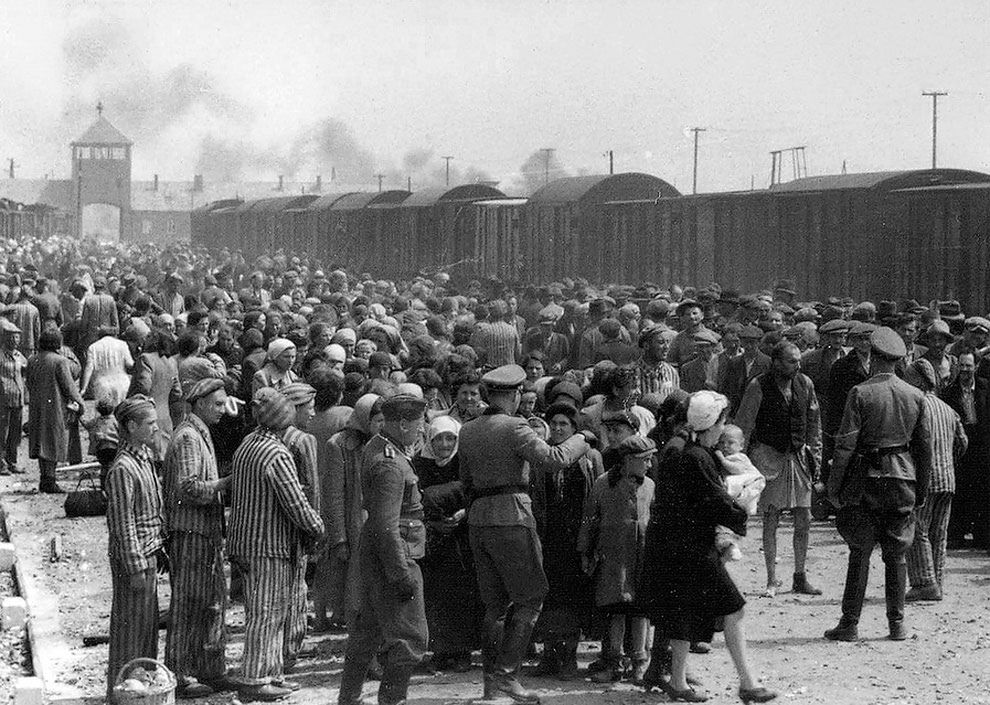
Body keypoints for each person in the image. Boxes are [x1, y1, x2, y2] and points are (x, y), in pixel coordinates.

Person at [458, 364, 589, 704]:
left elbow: (466, 480)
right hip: (512, 518)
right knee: (531, 597)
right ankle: (507, 677)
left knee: (495, 606)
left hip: (479, 520)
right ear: (515, 395)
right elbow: (554, 458)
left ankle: (491, 684)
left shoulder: (468, 430)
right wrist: (581, 439)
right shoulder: (515, 426)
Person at [637, 391, 776, 704]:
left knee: (683, 612)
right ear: (712, 424)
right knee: (735, 608)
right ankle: (747, 683)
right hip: (694, 550)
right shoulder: (699, 457)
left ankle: (677, 681)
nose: (722, 429)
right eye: (721, 422)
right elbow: (716, 502)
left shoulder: (689, 450)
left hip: (678, 547)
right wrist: (741, 508)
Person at [825, 327, 932, 642]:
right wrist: (921, 490)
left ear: (872, 357)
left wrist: (834, 486)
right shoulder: (916, 395)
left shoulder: (860, 393)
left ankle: (850, 623)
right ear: (898, 361)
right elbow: (924, 449)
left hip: (865, 479)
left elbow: (844, 447)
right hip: (902, 478)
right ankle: (896, 624)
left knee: (860, 551)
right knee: (896, 554)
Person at [229, 388, 325, 702]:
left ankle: (270, 673)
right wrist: (317, 527)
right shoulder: (276, 453)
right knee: (267, 614)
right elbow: (295, 503)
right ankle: (255, 678)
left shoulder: (248, 444)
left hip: (245, 541)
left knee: (263, 611)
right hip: (268, 545)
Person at [337, 394, 429, 705]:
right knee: (411, 638)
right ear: (403, 424)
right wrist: (401, 574)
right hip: (396, 556)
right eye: (419, 424)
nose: (422, 430)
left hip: (378, 555)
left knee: (368, 631)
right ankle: (392, 700)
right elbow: (387, 526)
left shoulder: (378, 446)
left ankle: (348, 699)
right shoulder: (391, 463)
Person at [734, 341, 823, 597]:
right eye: (791, 361)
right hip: (769, 458)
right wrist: (743, 466)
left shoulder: (805, 384)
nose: (797, 365)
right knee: (771, 518)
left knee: (803, 518)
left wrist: (815, 457)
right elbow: (744, 425)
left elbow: (814, 425)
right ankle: (772, 580)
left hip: (798, 458)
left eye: (798, 361)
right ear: (776, 362)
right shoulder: (757, 386)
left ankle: (799, 576)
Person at [163, 378, 232, 698]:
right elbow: (188, 488)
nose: (223, 410)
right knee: (188, 605)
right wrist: (225, 485)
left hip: (203, 532)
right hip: (190, 533)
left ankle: (208, 668)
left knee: (211, 602)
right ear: (200, 402)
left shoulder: (199, 432)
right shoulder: (188, 437)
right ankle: (180, 673)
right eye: (218, 404)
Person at [578, 435, 656, 685]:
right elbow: (589, 517)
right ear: (628, 460)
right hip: (613, 559)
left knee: (640, 612)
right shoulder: (603, 484)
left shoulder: (650, 485)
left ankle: (640, 664)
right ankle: (614, 662)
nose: (650, 465)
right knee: (616, 611)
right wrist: (585, 551)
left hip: (641, 558)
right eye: (645, 460)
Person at [530, 401, 598, 682]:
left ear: (574, 429)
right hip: (548, 537)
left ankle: (568, 657)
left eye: (564, 425)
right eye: (554, 424)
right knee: (548, 596)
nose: (558, 429)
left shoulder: (589, 457)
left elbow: (594, 500)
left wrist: (589, 541)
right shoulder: (542, 457)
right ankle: (549, 655)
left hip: (575, 539)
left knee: (571, 599)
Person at [105, 396, 166, 701]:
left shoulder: (143, 457)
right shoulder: (122, 469)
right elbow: (123, 523)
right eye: (150, 423)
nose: (156, 428)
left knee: (145, 630)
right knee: (130, 633)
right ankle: (122, 695)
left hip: (149, 553)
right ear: (132, 426)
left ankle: (140, 691)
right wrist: (135, 567)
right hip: (136, 559)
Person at [413, 416, 480, 673]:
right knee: (436, 596)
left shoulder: (466, 462)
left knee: (463, 594)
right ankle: (440, 651)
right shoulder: (421, 463)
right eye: (439, 438)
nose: (444, 443)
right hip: (434, 540)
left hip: (462, 538)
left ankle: (463, 652)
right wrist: (435, 522)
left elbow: (474, 493)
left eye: (450, 438)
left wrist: (463, 513)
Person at [902, 359, 967, 601]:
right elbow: (963, 442)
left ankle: (923, 582)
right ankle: (937, 581)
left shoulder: (916, 405)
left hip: (924, 479)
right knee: (939, 533)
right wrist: (949, 459)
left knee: (917, 528)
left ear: (919, 380)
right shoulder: (948, 409)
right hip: (948, 478)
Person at [324, 394, 385, 631]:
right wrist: (339, 538)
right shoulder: (338, 445)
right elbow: (334, 497)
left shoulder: (386, 444)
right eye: (378, 420)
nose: (382, 425)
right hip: (356, 527)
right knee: (357, 589)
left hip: (382, 525)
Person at [26, 328, 85, 493]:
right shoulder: (60, 361)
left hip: (37, 405)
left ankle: (44, 478)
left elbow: (28, 382)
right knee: (52, 441)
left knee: (40, 441)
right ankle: (50, 481)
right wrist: (81, 404)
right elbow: (69, 387)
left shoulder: (32, 360)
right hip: (55, 407)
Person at [943, 352, 990, 548]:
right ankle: (957, 535)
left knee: (983, 492)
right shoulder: (948, 392)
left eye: (968, 366)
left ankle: (982, 536)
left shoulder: (986, 388)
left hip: (983, 447)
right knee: (961, 490)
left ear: (975, 366)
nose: (964, 370)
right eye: (961, 365)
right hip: (961, 449)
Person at [713, 424, 766, 562]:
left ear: (741, 445)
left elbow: (738, 471)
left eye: (730, 443)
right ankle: (729, 544)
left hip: (742, 492)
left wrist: (723, 460)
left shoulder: (740, 458)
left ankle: (731, 545)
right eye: (721, 442)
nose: (725, 446)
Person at [0, 320, 27, 475]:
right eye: (12, 338)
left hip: (18, 398)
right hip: (3, 399)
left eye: (17, 338)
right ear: (5, 338)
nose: (15, 341)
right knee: (2, 433)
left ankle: (12, 461)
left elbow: (26, 368)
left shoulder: (19, 355)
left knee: (15, 434)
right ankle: (1, 463)